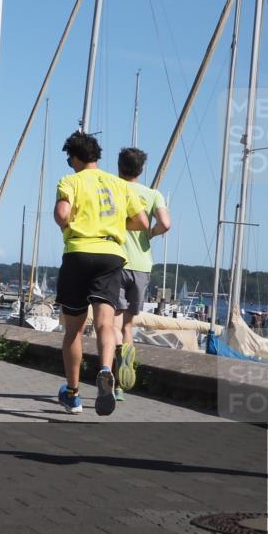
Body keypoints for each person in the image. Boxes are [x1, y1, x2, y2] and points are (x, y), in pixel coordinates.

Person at [54, 132, 148, 416]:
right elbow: (142, 221)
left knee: (74, 329)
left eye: (69, 157)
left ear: (75, 157)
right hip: (111, 256)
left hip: (79, 252)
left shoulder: (70, 181)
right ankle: (106, 369)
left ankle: (72, 395)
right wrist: (117, 225)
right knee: (107, 324)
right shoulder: (120, 185)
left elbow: (61, 214)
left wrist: (72, 225)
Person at [114, 147, 171, 400]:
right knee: (127, 325)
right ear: (141, 169)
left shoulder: (114, 188)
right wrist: (150, 233)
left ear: (119, 166)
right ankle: (124, 374)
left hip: (115, 261)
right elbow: (166, 223)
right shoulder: (153, 194)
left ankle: (114, 378)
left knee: (111, 322)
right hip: (141, 264)